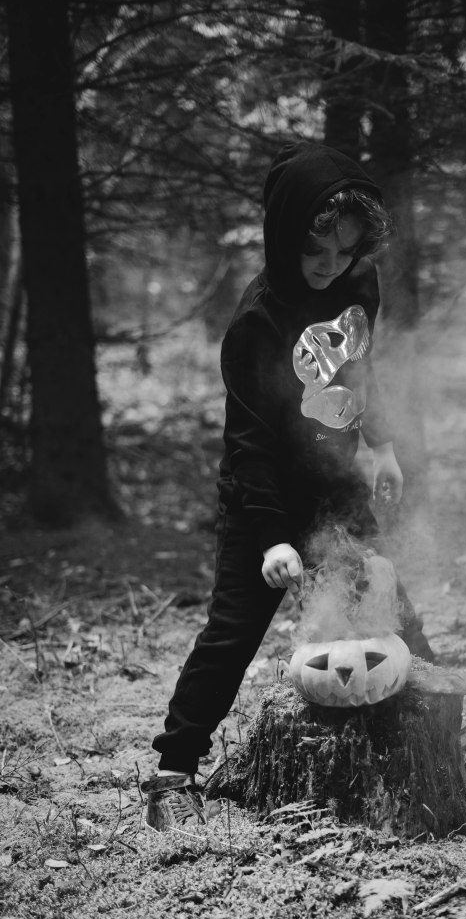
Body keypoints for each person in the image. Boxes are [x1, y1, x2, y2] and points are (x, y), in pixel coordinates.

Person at [141, 141, 435, 833]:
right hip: (263, 498)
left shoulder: (358, 283)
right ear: (283, 236)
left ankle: (430, 733)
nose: (330, 265)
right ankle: (171, 776)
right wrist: (273, 537)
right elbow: (247, 446)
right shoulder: (257, 324)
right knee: (232, 634)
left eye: (344, 251)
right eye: (315, 251)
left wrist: (381, 446)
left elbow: (361, 370)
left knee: (386, 598)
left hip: (336, 486)